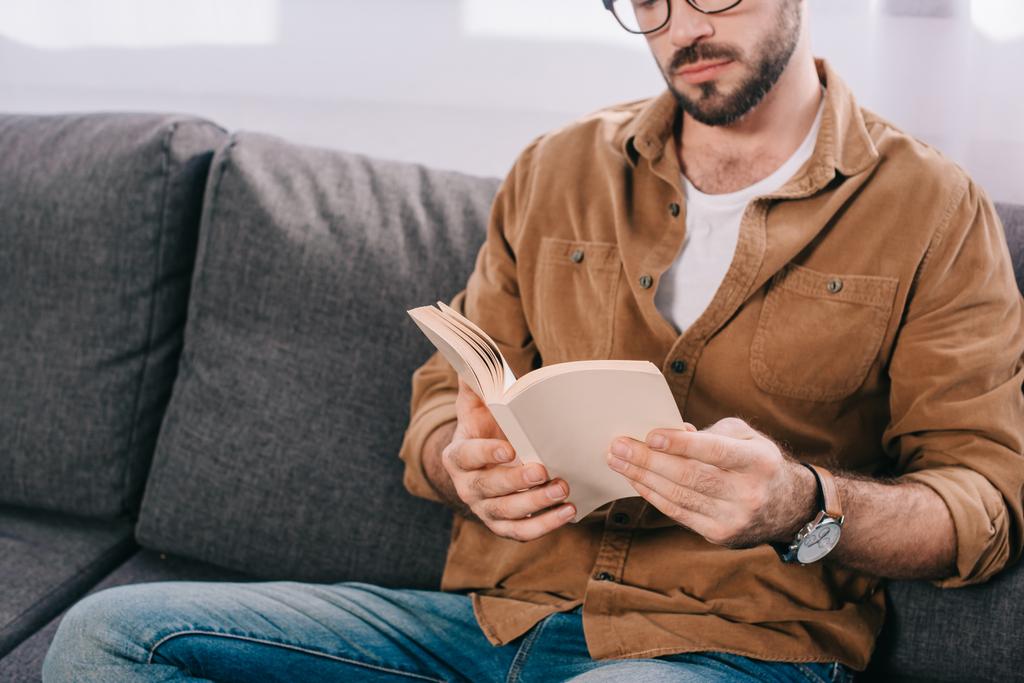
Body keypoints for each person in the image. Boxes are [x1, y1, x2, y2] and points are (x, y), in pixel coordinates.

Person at [43, 0, 1024, 681]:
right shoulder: (558, 169)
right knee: (110, 639)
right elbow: (446, 386)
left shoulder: (929, 208)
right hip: (485, 620)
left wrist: (796, 500)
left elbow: (982, 499)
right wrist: (456, 456)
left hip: (728, 641)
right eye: (648, 4)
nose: (682, 28)